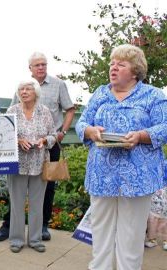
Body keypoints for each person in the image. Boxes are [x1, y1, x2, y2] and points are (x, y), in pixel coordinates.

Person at [75, 44, 167, 269]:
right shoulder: (101, 93)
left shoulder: (153, 95)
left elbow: (164, 127)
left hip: (137, 177)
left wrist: (141, 135)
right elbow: (82, 122)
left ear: (135, 71)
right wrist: (90, 131)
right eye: (112, 64)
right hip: (102, 174)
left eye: (120, 64)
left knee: (131, 236)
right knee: (101, 232)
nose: (113, 68)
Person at [0, 52, 75, 241]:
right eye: (37, 65)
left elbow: (70, 109)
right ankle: (9, 227)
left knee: (47, 188)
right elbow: (9, 121)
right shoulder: (22, 87)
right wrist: (17, 139)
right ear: (30, 68)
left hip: (48, 144)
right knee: (16, 192)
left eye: (43, 64)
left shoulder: (58, 85)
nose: (41, 67)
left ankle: (41, 228)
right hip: (21, 151)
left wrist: (61, 132)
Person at [7, 79, 56, 253]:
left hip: (39, 163)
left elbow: (53, 136)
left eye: (28, 89)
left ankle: (35, 240)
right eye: (21, 89)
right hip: (16, 164)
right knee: (16, 204)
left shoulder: (45, 112)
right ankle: (17, 240)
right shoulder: (12, 111)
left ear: (36, 92)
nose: (24, 92)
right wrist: (19, 140)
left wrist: (44, 140)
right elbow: (4, 136)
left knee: (37, 204)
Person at [145, 185, 167, 251]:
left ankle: (166, 241)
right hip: (153, 205)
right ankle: (152, 240)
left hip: (165, 206)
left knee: (165, 224)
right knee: (151, 223)